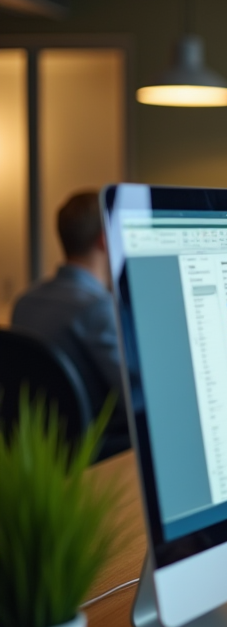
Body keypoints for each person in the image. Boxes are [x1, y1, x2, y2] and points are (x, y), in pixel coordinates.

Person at [12, 191, 130, 459]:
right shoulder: (98, 308)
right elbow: (136, 400)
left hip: (40, 454)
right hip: (97, 454)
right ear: (104, 240)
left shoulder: (25, 301)